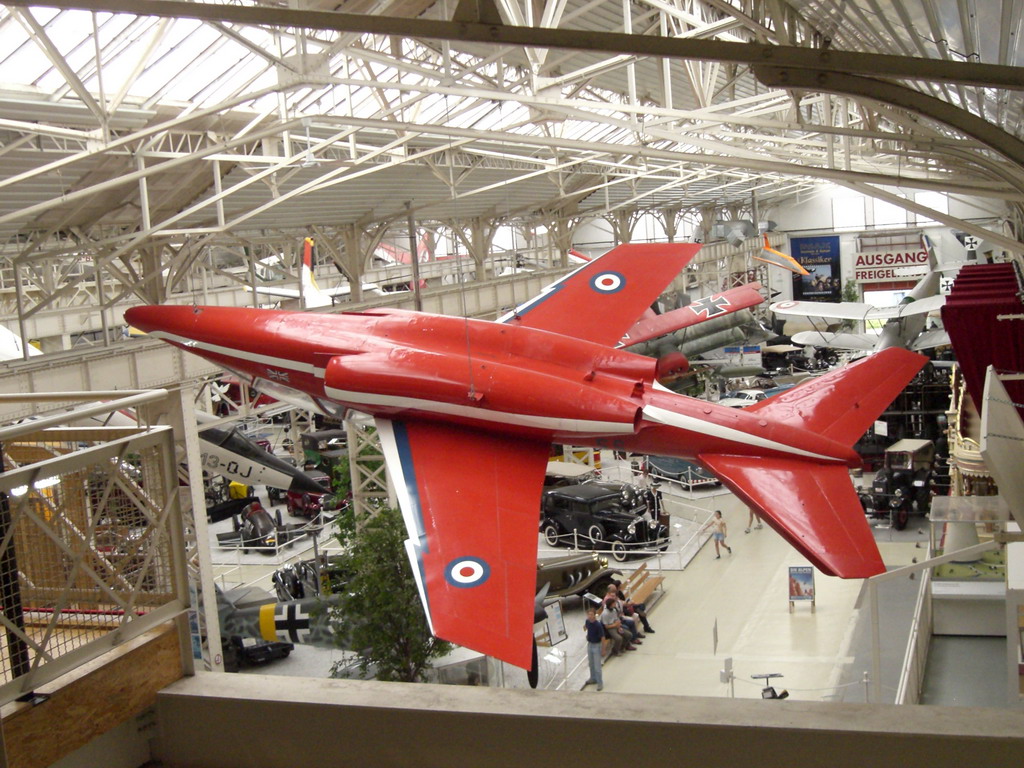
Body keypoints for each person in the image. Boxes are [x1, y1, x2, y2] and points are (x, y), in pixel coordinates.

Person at [583, 607, 604, 691]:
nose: (590, 616)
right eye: (588, 614)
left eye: (591, 614)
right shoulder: (587, 621)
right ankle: (593, 678)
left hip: (597, 645)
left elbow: (602, 637)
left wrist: (603, 649)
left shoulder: (598, 625)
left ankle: (600, 683)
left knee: (597, 666)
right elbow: (586, 627)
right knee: (591, 663)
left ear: (594, 615)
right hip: (590, 644)